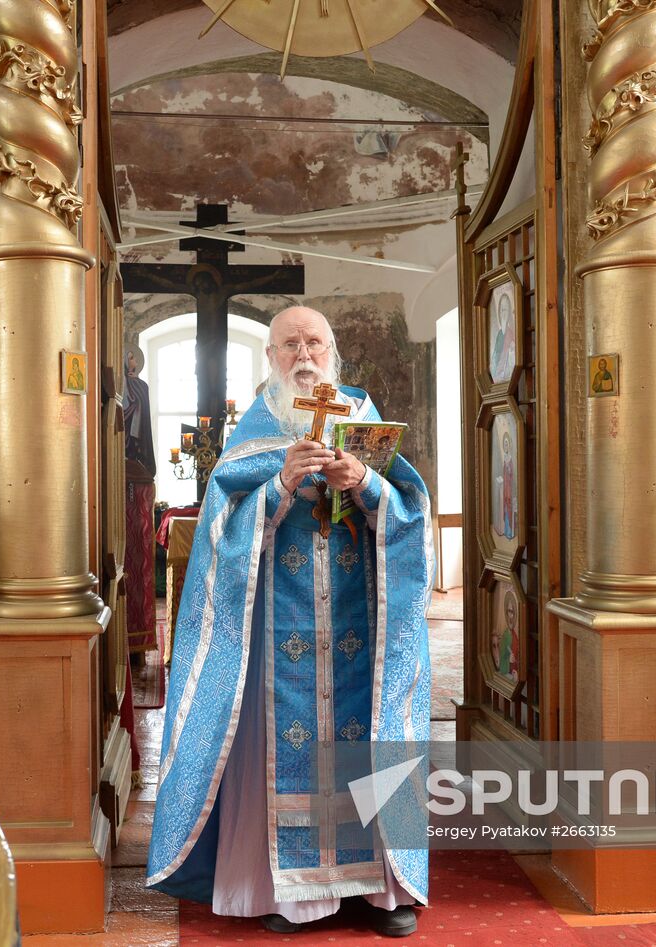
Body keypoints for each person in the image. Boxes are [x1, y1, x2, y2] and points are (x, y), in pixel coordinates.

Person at [147, 306, 433, 938]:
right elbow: (222, 526)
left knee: (381, 732)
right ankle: (294, 893)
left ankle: (389, 890)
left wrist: (365, 483)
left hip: (365, 624)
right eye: (289, 345)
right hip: (283, 629)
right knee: (287, 749)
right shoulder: (257, 426)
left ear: (333, 353)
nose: (303, 355)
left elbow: (412, 515)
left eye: (314, 343)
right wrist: (279, 485)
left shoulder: (362, 417)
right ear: (271, 357)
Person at [123, 343, 158, 657]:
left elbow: (139, 425)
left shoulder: (139, 388)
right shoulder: (126, 388)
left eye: (134, 357)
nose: (131, 361)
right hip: (127, 468)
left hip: (134, 471)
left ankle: (137, 637)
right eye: (128, 356)